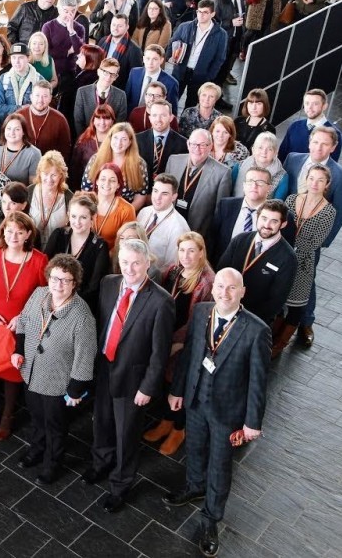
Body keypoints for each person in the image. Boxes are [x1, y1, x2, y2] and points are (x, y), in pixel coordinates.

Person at [164, 268, 268, 558]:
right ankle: (195, 486)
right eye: (220, 286)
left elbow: (259, 380)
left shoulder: (257, 330)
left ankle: (210, 519)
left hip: (228, 411)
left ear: (242, 292)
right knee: (195, 450)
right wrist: (178, 390)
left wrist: (251, 423)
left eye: (231, 288)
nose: (224, 292)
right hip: (197, 401)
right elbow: (190, 354)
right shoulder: (201, 313)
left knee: (220, 467)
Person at [85, 239, 173, 512]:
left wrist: (147, 387)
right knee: (102, 421)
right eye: (125, 262)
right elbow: (102, 323)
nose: (130, 268)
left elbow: (160, 353)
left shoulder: (161, 301)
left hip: (134, 379)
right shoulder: (109, 283)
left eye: (136, 262)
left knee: (126, 434)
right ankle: (101, 462)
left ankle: (121, 484)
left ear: (148, 263)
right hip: (104, 367)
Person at [12, 254, 96, 483]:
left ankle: (52, 463)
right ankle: (37, 449)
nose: (58, 284)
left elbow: (85, 357)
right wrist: (18, 350)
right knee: (37, 418)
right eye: (55, 278)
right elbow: (24, 321)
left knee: (55, 427)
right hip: (31, 373)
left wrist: (76, 390)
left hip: (57, 383)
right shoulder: (39, 294)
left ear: (74, 283)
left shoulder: (82, 316)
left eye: (65, 280)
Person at [0, 212, 49, 440]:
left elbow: (46, 296)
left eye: (19, 231)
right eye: (9, 230)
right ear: (2, 232)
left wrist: (24, 317)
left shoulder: (39, 260)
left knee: (13, 371)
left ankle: (7, 415)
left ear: (28, 234)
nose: (13, 235)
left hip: (22, 327)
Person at [144, 232, 214, 456]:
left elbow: (200, 321)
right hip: (167, 336)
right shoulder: (174, 270)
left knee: (182, 385)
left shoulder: (207, 281)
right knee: (168, 382)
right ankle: (166, 420)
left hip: (189, 342)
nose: (186, 256)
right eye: (182, 250)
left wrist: (176, 343)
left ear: (201, 252)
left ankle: (178, 429)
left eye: (192, 250)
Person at [273, 165, 336, 356]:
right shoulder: (291, 200)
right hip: (282, 259)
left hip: (303, 263)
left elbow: (315, 243)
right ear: (306, 179)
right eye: (312, 178)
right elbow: (279, 225)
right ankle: (271, 336)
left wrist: (288, 241)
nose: (315, 183)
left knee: (296, 306)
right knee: (277, 300)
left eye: (320, 180)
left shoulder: (329, 212)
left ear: (327, 184)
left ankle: (280, 345)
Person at [216, 199, 295, 324]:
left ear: (283, 224)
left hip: (252, 320)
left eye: (274, 221)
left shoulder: (288, 257)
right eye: (264, 218)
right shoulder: (240, 240)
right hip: (223, 308)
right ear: (257, 217)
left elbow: (276, 301)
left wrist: (243, 318)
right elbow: (220, 272)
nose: (267, 225)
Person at [44, 192, 112, 311]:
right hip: (52, 297)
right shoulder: (58, 235)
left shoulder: (100, 246)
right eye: (74, 216)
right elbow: (44, 268)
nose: (77, 222)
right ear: (68, 215)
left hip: (81, 304)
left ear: (93, 218)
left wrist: (67, 302)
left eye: (83, 217)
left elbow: (94, 286)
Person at [164, 128, 231, 245]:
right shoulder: (173, 161)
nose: (197, 149)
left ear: (211, 146)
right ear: (188, 144)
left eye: (202, 145)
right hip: (168, 230)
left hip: (198, 236)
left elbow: (219, 213)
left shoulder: (223, 173)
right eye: (194, 144)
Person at [170, 0, 228, 110]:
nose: (201, 15)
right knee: (172, 100)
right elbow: (173, 42)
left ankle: (185, 126)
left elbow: (220, 58)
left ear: (213, 14)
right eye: (199, 11)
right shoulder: (185, 26)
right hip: (180, 70)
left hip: (201, 75)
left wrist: (209, 76)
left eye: (205, 12)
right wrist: (170, 57)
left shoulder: (221, 35)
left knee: (191, 105)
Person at [81, 122, 148, 207]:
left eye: (124, 139)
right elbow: (86, 190)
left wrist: (126, 213)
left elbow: (141, 195)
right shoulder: (96, 159)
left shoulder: (140, 164)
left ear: (130, 142)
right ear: (110, 139)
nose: (119, 143)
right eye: (115, 138)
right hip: (97, 209)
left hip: (126, 211)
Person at [136, 174, 191, 273]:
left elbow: (171, 266)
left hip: (154, 279)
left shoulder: (179, 227)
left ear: (174, 197)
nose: (158, 197)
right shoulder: (143, 212)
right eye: (155, 191)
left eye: (164, 194)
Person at [213, 166, 271, 258]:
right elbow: (212, 239)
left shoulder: (277, 215)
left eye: (260, 182)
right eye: (250, 181)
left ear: (269, 188)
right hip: (224, 267)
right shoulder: (226, 206)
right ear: (244, 186)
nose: (254, 186)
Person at [23, 150, 74, 249]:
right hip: (29, 249)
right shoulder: (28, 192)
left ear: (61, 175)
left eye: (54, 175)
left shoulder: (69, 197)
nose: (49, 179)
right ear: (39, 174)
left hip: (57, 251)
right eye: (45, 174)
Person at [277, 88, 342, 162]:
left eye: (315, 104)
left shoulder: (335, 134)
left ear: (324, 106)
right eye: (307, 103)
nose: (310, 107)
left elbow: (332, 163)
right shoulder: (295, 126)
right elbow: (282, 155)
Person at [136, 100, 187, 188]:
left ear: (171, 118)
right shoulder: (137, 140)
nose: (158, 120)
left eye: (163, 115)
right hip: (140, 188)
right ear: (150, 118)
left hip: (167, 191)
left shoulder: (183, 144)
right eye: (155, 115)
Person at [17, 81, 73, 159]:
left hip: (48, 167)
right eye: (37, 95)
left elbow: (65, 150)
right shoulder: (18, 116)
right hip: (22, 163)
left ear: (50, 98)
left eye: (45, 96)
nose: (40, 100)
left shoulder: (60, 119)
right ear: (31, 97)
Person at [74, 58, 127, 138]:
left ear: (116, 77)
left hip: (110, 141)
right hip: (86, 139)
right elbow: (78, 121)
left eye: (112, 75)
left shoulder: (121, 95)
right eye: (105, 72)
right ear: (98, 72)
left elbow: (119, 123)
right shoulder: (82, 92)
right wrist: (86, 139)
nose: (108, 77)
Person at [0, 43, 44, 123]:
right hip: (9, 129)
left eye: (21, 58)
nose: (17, 61)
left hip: (31, 128)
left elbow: (45, 106)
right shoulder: (4, 79)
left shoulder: (38, 80)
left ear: (28, 58)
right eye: (14, 58)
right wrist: (20, 108)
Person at [90, 162, 137, 249]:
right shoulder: (85, 200)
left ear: (118, 185)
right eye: (103, 179)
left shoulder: (127, 209)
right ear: (97, 181)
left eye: (112, 180)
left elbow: (128, 244)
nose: (107, 183)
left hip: (110, 258)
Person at [43, 0, 87, 86]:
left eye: (73, 11)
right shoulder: (48, 26)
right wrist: (67, 51)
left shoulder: (79, 28)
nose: (69, 15)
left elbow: (80, 51)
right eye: (66, 11)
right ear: (59, 10)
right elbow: (46, 51)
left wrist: (71, 30)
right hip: (51, 70)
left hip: (70, 71)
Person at [58, 44, 104, 127]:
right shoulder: (83, 73)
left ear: (90, 59)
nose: (78, 55)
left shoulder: (90, 80)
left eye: (82, 54)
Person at [70, 104, 115, 186]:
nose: (102, 122)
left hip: (110, 187)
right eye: (98, 118)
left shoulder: (117, 141)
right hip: (87, 187)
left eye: (106, 118)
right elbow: (75, 170)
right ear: (93, 121)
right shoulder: (83, 140)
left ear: (112, 121)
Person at [125, 44, 179, 111]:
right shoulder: (134, 73)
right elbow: (126, 97)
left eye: (155, 59)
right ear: (143, 59)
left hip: (155, 119)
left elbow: (172, 110)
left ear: (161, 60)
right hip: (132, 115)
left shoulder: (171, 83)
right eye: (148, 58)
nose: (150, 62)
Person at [0, 114, 41, 185]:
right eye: (9, 128)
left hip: (17, 195)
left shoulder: (34, 153)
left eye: (17, 129)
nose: (12, 133)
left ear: (23, 132)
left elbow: (33, 186)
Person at [97, 14, 143, 92]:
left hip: (118, 90)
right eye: (114, 25)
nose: (115, 28)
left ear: (127, 27)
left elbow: (134, 79)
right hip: (99, 85)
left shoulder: (135, 50)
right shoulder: (103, 41)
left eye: (120, 26)